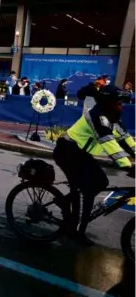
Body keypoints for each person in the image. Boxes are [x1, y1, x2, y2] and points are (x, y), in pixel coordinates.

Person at [53, 85, 135, 246]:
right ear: (107, 102)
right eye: (118, 102)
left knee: (101, 182)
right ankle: (76, 232)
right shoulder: (96, 116)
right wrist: (129, 166)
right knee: (85, 192)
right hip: (66, 152)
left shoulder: (112, 117)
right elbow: (108, 142)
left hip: (80, 154)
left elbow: (127, 141)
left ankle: (64, 201)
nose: (122, 105)